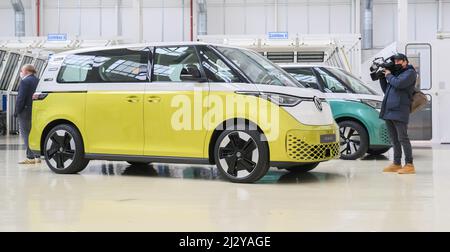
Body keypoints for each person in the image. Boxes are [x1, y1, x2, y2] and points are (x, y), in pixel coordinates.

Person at [379, 53, 416, 174]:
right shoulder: (396, 74)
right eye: (395, 61)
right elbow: (386, 90)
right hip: (389, 110)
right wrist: (382, 77)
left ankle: (409, 164)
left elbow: (399, 84)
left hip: (400, 110)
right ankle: (396, 163)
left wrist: (389, 75)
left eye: (399, 60)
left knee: (402, 138)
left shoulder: (410, 73)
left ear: (405, 61)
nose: (396, 63)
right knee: (394, 139)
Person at [14, 64, 40, 164]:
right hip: (36, 110)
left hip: (25, 111)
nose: (21, 72)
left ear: (27, 71)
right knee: (35, 133)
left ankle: (30, 157)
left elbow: (21, 98)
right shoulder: (38, 81)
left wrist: (17, 111)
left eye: (22, 70)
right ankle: (37, 156)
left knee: (26, 134)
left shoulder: (25, 81)